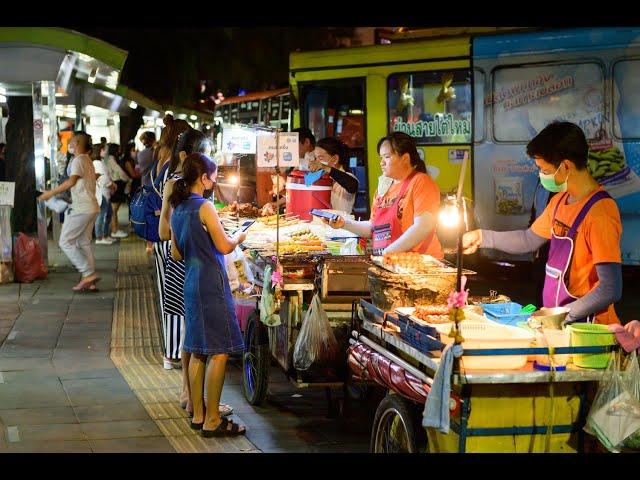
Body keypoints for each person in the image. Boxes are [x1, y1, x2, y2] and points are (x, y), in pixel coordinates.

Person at [462, 122, 622, 325]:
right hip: (561, 323)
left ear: (565, 166)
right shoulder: (559, 201)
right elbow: (528, 240)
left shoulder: (600, 213)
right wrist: (483, 237)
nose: (541, 175)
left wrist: (562, 315)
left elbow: (610, 288)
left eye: (544, 170)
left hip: (590, 329)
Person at [169, 152, 246, 437]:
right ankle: (213, 418)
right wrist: (238, 237)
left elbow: (176, 252)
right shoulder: (204, 206)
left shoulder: (177, 208)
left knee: (198, 349)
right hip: (212, 283)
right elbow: (225, 247)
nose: (214, 182)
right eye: (213, 178)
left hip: (191, 282)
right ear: (203, 178)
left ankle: (199, 414)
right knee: (219, 351)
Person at [158, 128, 232, 419]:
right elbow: (164, 231)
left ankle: (195, 404)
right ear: (189, 157)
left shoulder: (181, 193)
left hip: (186, 263)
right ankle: (196, 403)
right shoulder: (189, 195)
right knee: (198, 337)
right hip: (192, 265)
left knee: (194, 333)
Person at [324, 132, 443, 258]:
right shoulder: (384, 188)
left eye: (387, 157)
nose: (381, 162)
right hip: (391, 263)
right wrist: (344, 224)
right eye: (381, 157)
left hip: (420, 264)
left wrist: (388, 252)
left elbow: (423, 226)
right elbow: (372, 227)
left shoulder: (421, 182)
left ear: (405, 158)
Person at [150, 116, 190, 365]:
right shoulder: (172, 170)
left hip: (161, 239)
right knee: (174, 300)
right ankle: (173, 354)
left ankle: (173, 351)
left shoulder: (162, 161)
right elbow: (169, 209)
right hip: (169, 240)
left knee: (169, 298)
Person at [38, 131, 100, 291]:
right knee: (83, 243)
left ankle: (88, 274)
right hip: (91, 206)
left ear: (78, 143)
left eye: (71, 141)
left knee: (65, 241)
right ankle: (90, 281)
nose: (69, 144)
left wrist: (51, 193)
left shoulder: (79, 160)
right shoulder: (87, 160)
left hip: (82, 208)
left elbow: (72, 181)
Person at [260, 127, 316, 216]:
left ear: (306, 142)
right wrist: (276, 202)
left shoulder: (314, 162)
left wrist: (284, 189)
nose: (290, 149)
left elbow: (304, 192)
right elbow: (294, 191)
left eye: (293, 144)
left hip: (310, 212)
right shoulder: (300, 161)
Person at [308, 137, 359, 215]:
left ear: (335, 159)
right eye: (316, 158)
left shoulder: (348, 176)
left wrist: (326, 168)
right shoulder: (322, 178)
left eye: (320, 158)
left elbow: (352, 185)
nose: (317, 162)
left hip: (343, 224)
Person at [103, 143, 130, 238]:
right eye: (118, 149)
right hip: (116, 184)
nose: (120, 151)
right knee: (114, 210)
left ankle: (115, 229)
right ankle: (114, 230)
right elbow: (120, 171)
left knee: (114, 209)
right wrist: (127, 179)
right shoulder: (111, 160)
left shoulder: (109, 159)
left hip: (116, 184)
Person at [91, 146, 116, 245]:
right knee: (102, 215)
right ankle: (99, 237)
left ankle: (105, 235)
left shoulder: (99, 163)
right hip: (101, 193)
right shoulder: (97, 163)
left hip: (105, 193)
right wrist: (112, 185)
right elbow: (103, 178)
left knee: (108, 214)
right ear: (99, 151)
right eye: (103, 149)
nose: (105, 151)